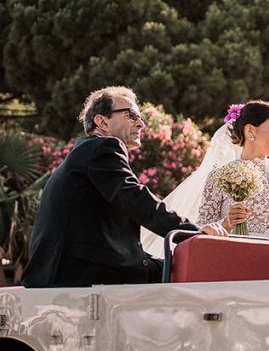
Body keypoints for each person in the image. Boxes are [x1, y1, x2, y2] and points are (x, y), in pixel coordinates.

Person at [22, 87, 227, 288]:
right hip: (82, 273)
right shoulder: (103, 147)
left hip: (67, 270)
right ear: (102, 121)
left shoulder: (85, 153)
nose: (140, 123)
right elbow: (136, 199)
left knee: (173, 267)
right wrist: (193, 233)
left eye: (141, 118)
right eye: (130, 115)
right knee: (198, 272)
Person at [195, 100, 269, 242]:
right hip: (229, 256)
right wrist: (226, 223)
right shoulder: (218, 176)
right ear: (250, 130)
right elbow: (201, 230)